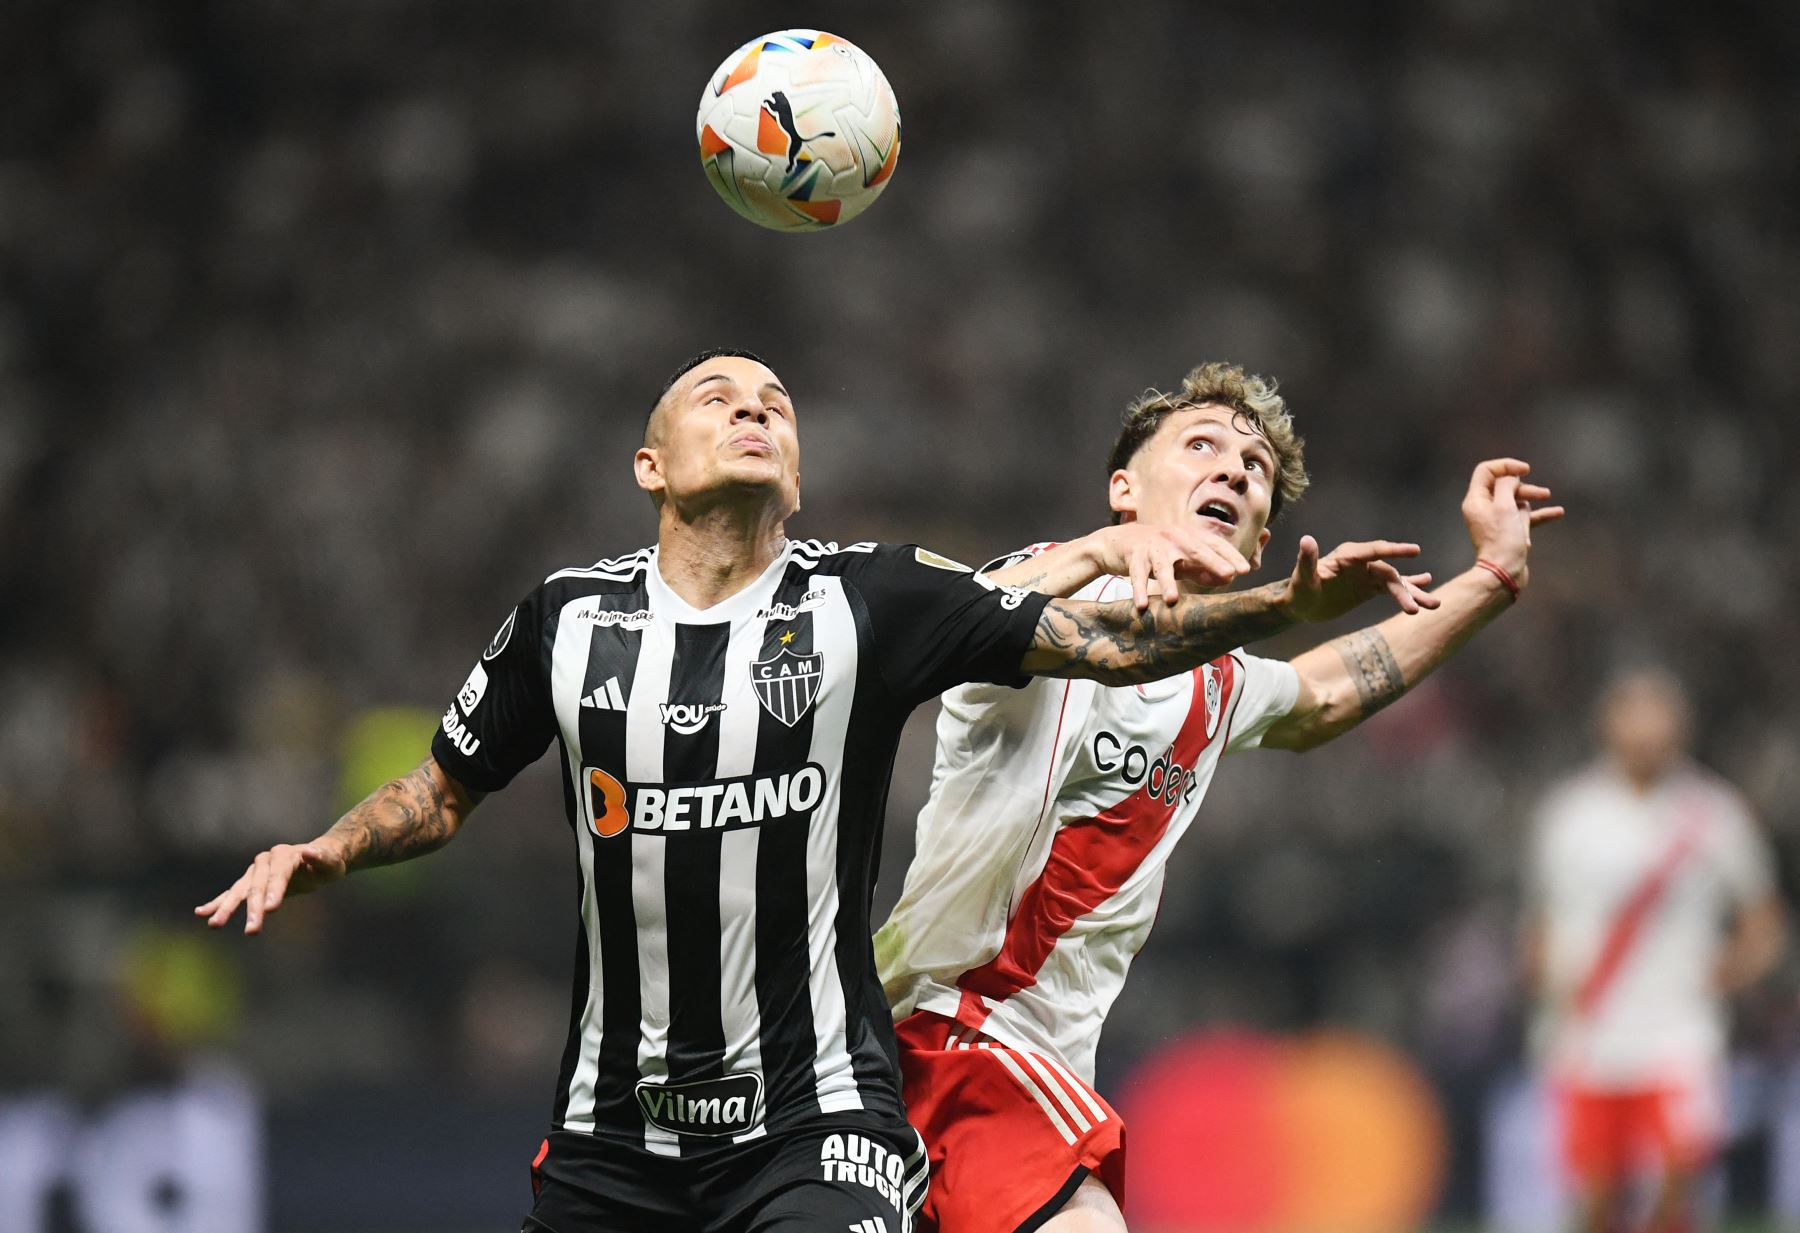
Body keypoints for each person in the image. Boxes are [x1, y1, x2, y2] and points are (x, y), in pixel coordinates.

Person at [195, 350, 1433, 1233]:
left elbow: (1121, 645)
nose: (755, 409)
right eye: (719, 396)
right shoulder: (566, 624)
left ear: (796, 470)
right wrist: (328, 850)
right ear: (649, 463)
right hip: (614, 1126)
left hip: (822, 1109)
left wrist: (1289, 605)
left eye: (777, 404)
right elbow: (443, 786)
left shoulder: (865, 599)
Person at [874, 360, 1565, 1233]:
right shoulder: (1051, 582)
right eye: (1201, 446)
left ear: (1261, 540)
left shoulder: (1219, 682)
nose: (1235, 470)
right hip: (944, 1031)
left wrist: (1492, 579)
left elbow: (1324, 694)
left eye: (1257, 472)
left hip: (1005, 1064)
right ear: (1123, 490)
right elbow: (1093, 642)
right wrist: (1283, 607)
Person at [1522, 669, 1785, 1233]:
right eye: (1633, 716)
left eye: (1658, 717)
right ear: (1607, 726)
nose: (1646, 733)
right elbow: (1541, 920)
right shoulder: (1570, 814)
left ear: (1680, 728)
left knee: (1677, 1182)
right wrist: (1546, 980)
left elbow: (1764, 918)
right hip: (1588, 1034)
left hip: (1678, 1033)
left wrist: (1733, 970)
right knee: (1595, 1198)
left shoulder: (1713, 812)